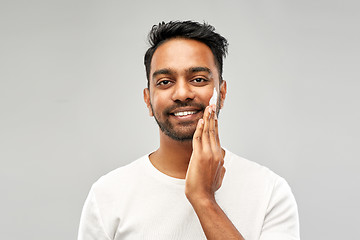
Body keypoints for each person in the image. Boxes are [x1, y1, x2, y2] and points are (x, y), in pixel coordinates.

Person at [78, 21, 300, 240]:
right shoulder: (107, 195)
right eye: (165, 82)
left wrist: (203, 199)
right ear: (148, 100)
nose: (182, 93)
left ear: (222, 92)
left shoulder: (270, 191)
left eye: (198, 79)